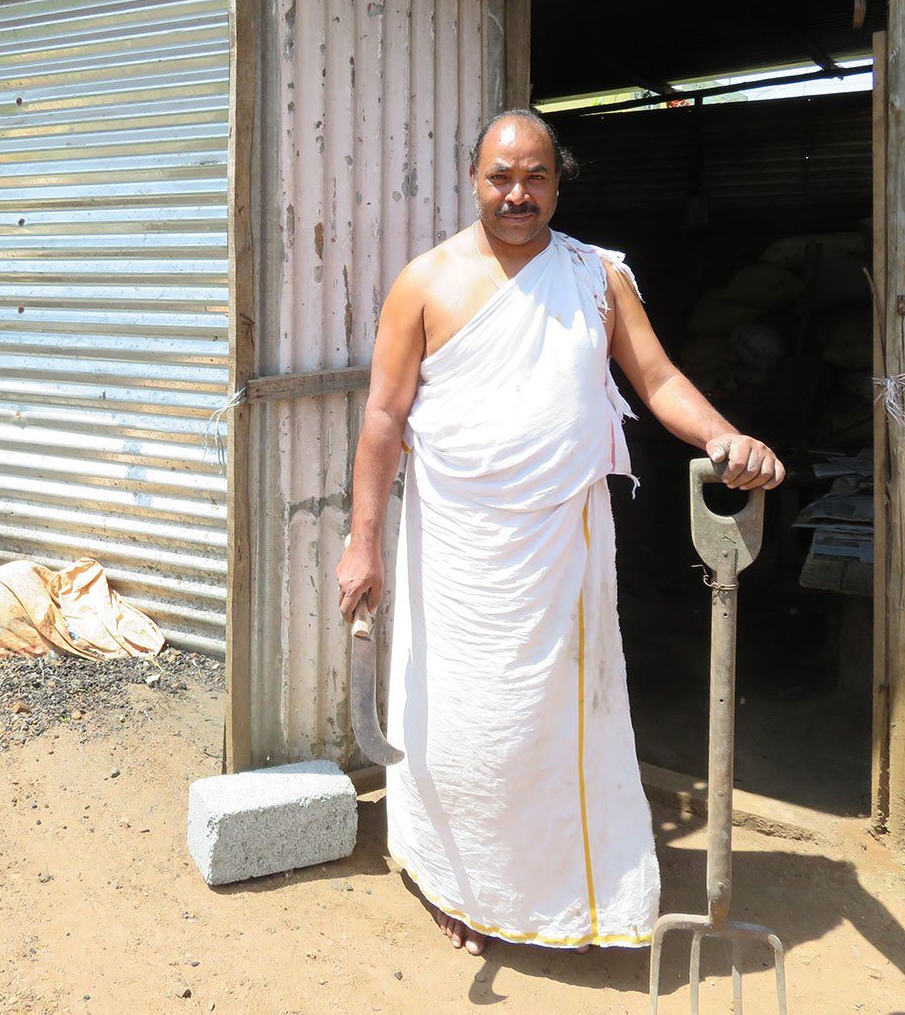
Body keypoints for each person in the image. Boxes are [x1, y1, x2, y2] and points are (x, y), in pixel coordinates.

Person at [335, 108, 785, 957]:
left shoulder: (593, 277)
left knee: (558, 724)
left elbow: (655, 378)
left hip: (567, 549)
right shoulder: (423, 283)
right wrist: (362, 539)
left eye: (535, 176)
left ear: (557, 181)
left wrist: (726, 438)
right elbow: (384, 417)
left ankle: (567, 893)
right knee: (467, 725)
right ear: (473, 180)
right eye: (501, 176)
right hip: (458, 554)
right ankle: (453, 884)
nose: (517, 194)